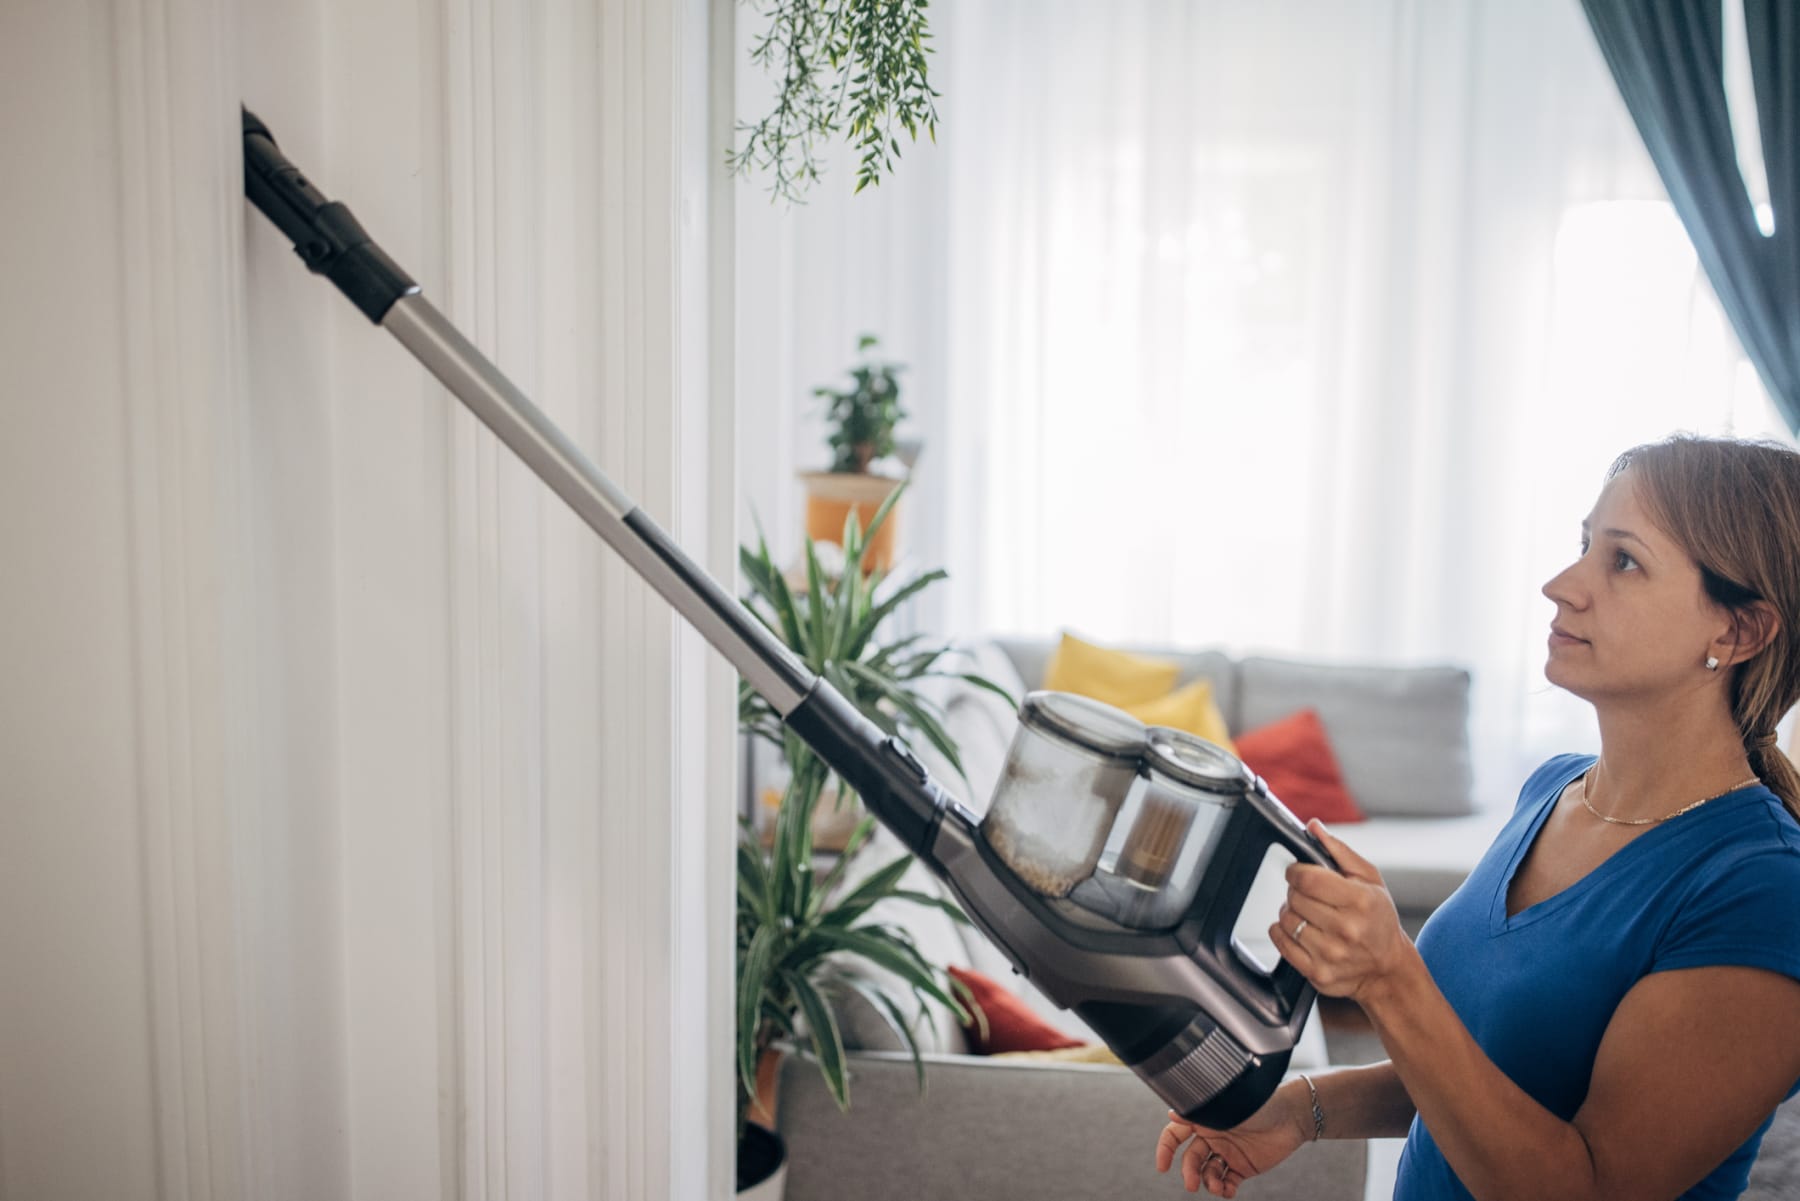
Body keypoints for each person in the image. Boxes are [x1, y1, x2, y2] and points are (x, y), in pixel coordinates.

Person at [1155, 434, 1800, 1199]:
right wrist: (1301, 1109)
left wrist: (1391, 976)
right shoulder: (1553, 790)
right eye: (1584, 545)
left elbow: (1586, 1187)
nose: (1561, 584)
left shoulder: (1765, 892)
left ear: (1737, 631)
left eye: (1623, 560)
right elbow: (1491, 1068)